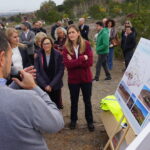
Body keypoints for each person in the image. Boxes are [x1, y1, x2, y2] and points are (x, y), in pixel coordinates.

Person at [0, 31, 64, 150]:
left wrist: (14, 86)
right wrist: (34, 87)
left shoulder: (57, 55)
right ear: (2, 58)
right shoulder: (28, 99)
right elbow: (57, 123)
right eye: (10, 56)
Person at [63, 25, 94, 131]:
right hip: (73, 80)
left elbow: (89, 62)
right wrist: (82, 58)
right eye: (69, 33)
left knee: (87, 101)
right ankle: (73, 120)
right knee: (74, 101)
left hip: (86, 78)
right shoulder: (66, 48)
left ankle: (90, 121)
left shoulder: (87, 44)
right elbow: (68, 65)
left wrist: (74, 61)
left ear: (78, 33)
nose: (71, 34)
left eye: (73, 32)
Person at [34, 37, 64, 109]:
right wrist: (45, 85)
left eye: (48, 43)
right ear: (41, 45)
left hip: (55, 85)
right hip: (43, 86)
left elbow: (61, 71)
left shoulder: (58, 54)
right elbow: (37, 72)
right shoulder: (38, 55)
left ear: (51, 44)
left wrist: (51, 85)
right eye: (44, 44)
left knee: (56, 106)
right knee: (45, 107)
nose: (46, 45)